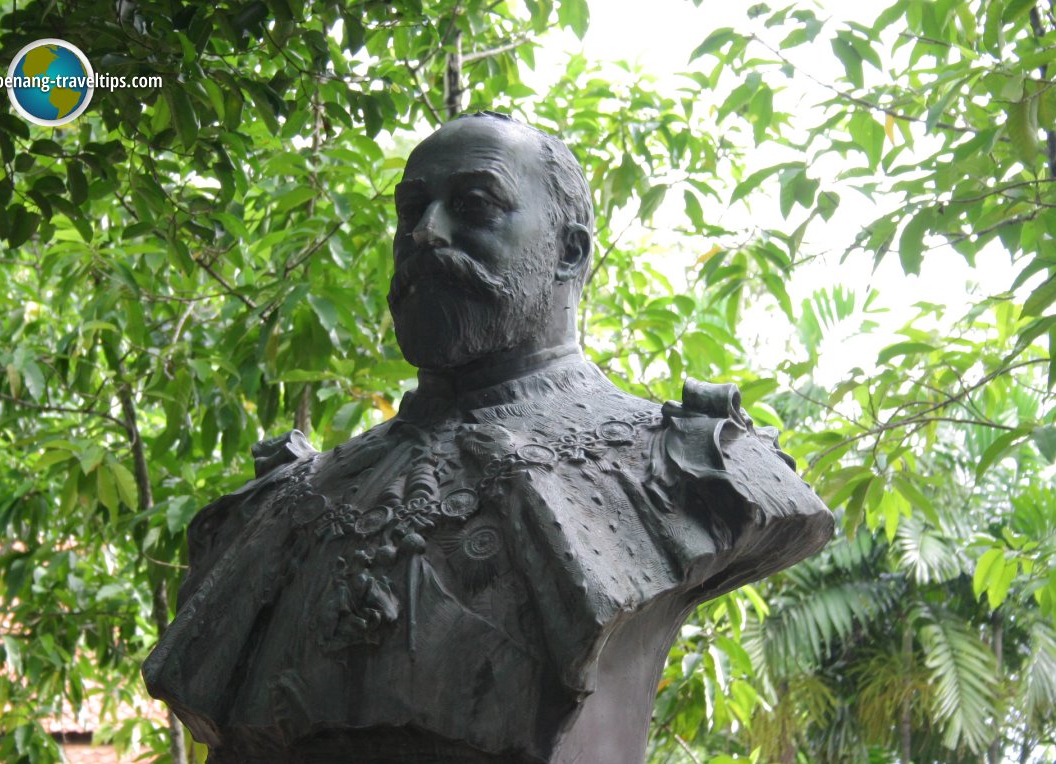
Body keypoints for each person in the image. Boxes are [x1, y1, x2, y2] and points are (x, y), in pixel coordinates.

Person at [143, 112, 833, 764]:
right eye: (410, 212)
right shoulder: (283, 500)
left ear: (570, 253)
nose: (424, 235)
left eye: (474, 207)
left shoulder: (695, 467)